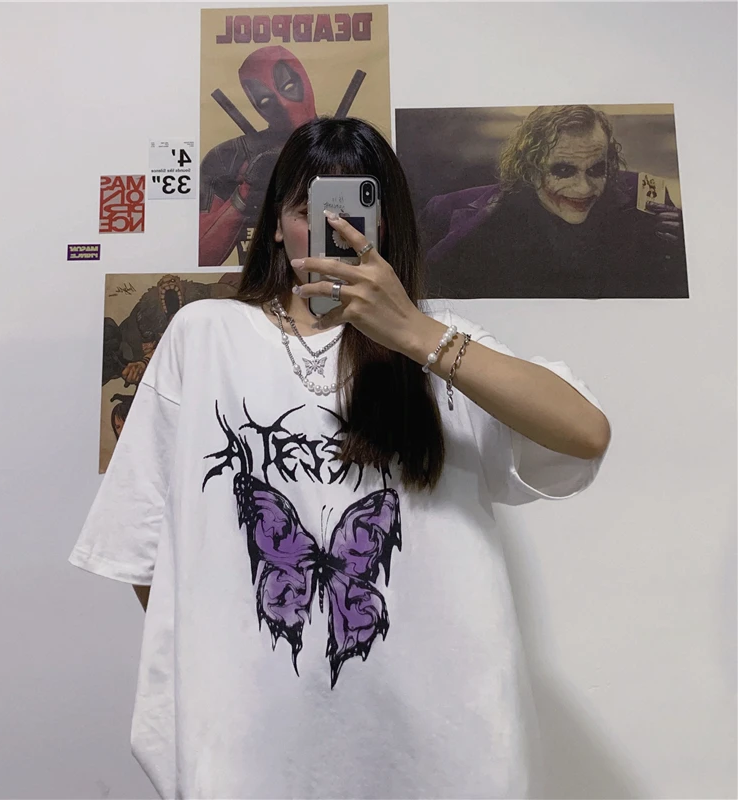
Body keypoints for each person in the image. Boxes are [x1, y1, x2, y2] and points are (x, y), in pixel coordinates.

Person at [69, 117, 612, 799]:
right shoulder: (205, 335)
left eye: (356, 211)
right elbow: (145, 547)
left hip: (433, 741)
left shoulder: (442, 345)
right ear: (275, 225)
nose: (334, 232)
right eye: (309, 211)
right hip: (255, 741)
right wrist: (227, 662)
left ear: (386, 226)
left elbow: (585, 433)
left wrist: (415, 333)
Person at [420, 104, 688, 299]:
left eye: (596, 169)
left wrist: (684, 252)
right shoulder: (449, 211)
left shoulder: (645, 194)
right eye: (563, 170)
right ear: (529, 168)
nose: (583, 188)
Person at [198, 45, 317, 266]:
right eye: (265, 101)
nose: (283, 104)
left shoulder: (346, 144)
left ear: (305, 80)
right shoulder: (229, 158)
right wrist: (245, 193)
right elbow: (201, 255)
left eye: (288, 87)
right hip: (258, 279)